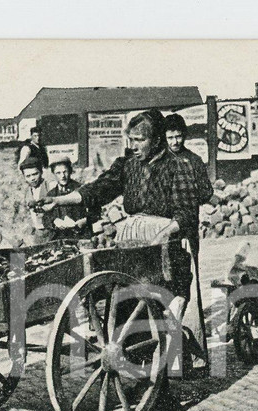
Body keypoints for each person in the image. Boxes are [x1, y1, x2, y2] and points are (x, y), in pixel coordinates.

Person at [39, 109, 203, 320]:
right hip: (133, 244)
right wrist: (58, 200)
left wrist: (165, 233)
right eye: (130, 140)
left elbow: (187, 213)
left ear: (156, 140)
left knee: (164, 306)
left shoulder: (178, 166)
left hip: (165, 245)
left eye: (139, 140)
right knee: (125, 302)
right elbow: (98, 190)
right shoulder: (128, 165)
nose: (133, 146)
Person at [164, 113, 214, 253]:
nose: (175, 142)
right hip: (165, 223)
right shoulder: (158, 162)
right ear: (164, 138)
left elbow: (206, 192)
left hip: (190, 221)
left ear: (184, 135)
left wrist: (190, 199)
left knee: (191, 260)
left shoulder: (194, 160)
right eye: (170, 138)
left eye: (178, 136)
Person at [46, 155, 99, 240]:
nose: (62, 176)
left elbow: (96, 213)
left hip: (81, 236)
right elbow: (46, 217)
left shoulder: (82, 190)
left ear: (70, 171)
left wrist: (85, 221)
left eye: (65, 172)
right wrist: (54, 221)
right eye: (58, 173)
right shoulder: (51, 194)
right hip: (60, 237)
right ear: (53, 174)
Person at [18, 156, 53, 244]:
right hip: (38, 232)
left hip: (53, 231)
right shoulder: (27, 192)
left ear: (41, 172)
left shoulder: (49, 186)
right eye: (28, 176)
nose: (32, 178)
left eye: (35, 174)